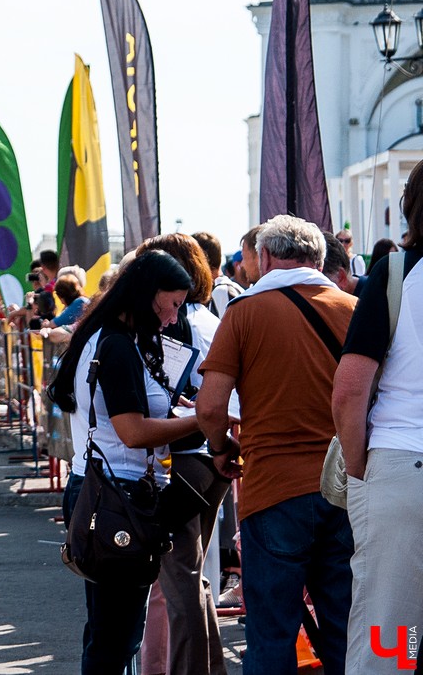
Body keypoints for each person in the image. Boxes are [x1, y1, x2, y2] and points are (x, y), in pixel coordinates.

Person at [197, 215, 356, 674]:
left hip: (272, 491)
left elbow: (209, 408)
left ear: (264, 258)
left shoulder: (244, 313)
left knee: (271, 633)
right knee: (348, 627)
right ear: (321, 259)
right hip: (345, 488)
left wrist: (221, 448)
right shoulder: (353, 309)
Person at [48, 250, 203, 674]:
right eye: (172, 304)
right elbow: (133, 431)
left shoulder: (101, 336)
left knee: (106, 631)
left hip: (99, 490)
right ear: (147, 295)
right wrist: (198, 420)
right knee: (115, 638)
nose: (174, 318)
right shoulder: (116, 345)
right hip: (119, 499)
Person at [333, 161, 423, 673]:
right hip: (399, 468)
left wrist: (360, 470)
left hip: (401, 470)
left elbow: (349, 391)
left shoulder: (393, 275)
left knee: (394, 634)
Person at [135, 233, 232, 675]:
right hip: (212, 457)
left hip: (186, 459)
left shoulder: (176, 326)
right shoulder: (211, 321)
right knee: (192, 581)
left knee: (181, 585)